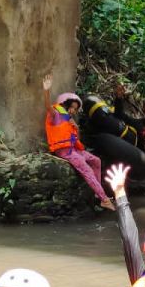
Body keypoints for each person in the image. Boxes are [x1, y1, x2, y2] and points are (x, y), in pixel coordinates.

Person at [42, 74, 114, 210]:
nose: (73, 111)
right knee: (86, 169)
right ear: (65, 104)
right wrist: (46, 90)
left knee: (96, 161)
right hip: (64, 151)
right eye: (72, 107)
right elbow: (47, 106)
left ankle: (98, 194)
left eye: (75, 109)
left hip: (74, 150)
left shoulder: (69, 121)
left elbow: (76, 140)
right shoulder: (56, 114)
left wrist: (76, 128)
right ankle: (104, 199)